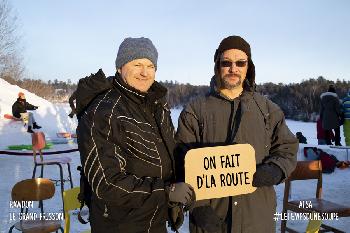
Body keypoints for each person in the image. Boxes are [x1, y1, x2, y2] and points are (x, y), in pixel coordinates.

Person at [175, 36, 298, 233]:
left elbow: (288, 149)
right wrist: (197, 207)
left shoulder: (268, 109)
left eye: (240, 63)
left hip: (257, 218)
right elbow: (181, 161)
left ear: (249, 66)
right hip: (211, 219)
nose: (234, 69)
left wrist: (275, 169)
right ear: (217, 66)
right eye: (226, 63)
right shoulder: (195, 110)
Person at [76, 37, 194, 233]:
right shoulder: (104, 111)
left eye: (150, 65)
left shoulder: (156, 105)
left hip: (155, 219)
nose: (144, 72)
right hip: (121, 224)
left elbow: (169, 153)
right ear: (120, 67)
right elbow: (106, 182)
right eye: (137, 64)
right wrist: (167, 192)